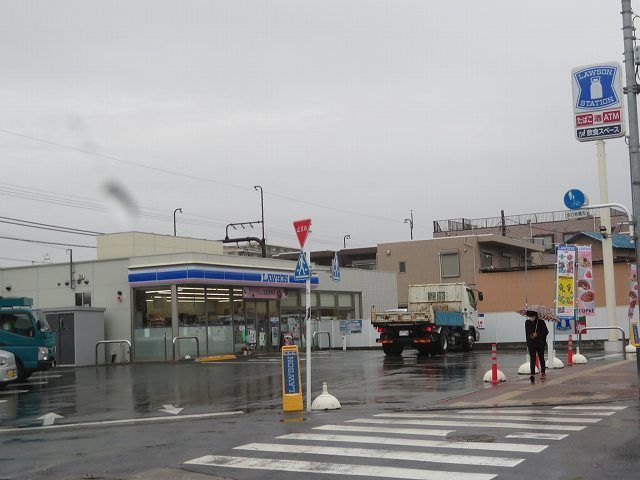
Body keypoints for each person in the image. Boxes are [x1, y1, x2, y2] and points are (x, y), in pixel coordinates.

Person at [525, 310, 549, 383]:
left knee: (541, 357)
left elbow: (546, 332)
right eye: (529, 316)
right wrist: (531, 336)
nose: (531, 318)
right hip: (531, 344)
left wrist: (537, 334)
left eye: (532, 316)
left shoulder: (541, 322)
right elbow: (527, 332)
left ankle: (543, 372)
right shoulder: (527, 322)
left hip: (540, 343)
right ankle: (532, 374)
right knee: (532, 359)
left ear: (535, 316)